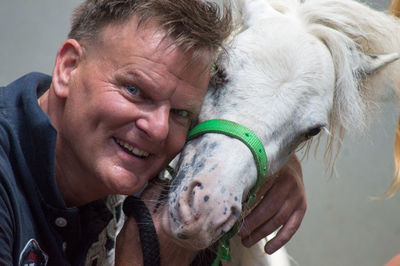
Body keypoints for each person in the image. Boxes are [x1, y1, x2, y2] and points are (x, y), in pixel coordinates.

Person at [0, 0, 306, 265]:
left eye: (180, 113)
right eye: (135, 90)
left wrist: (278, 168)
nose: (159, 130)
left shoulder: (112, 157)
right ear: (68, 68)